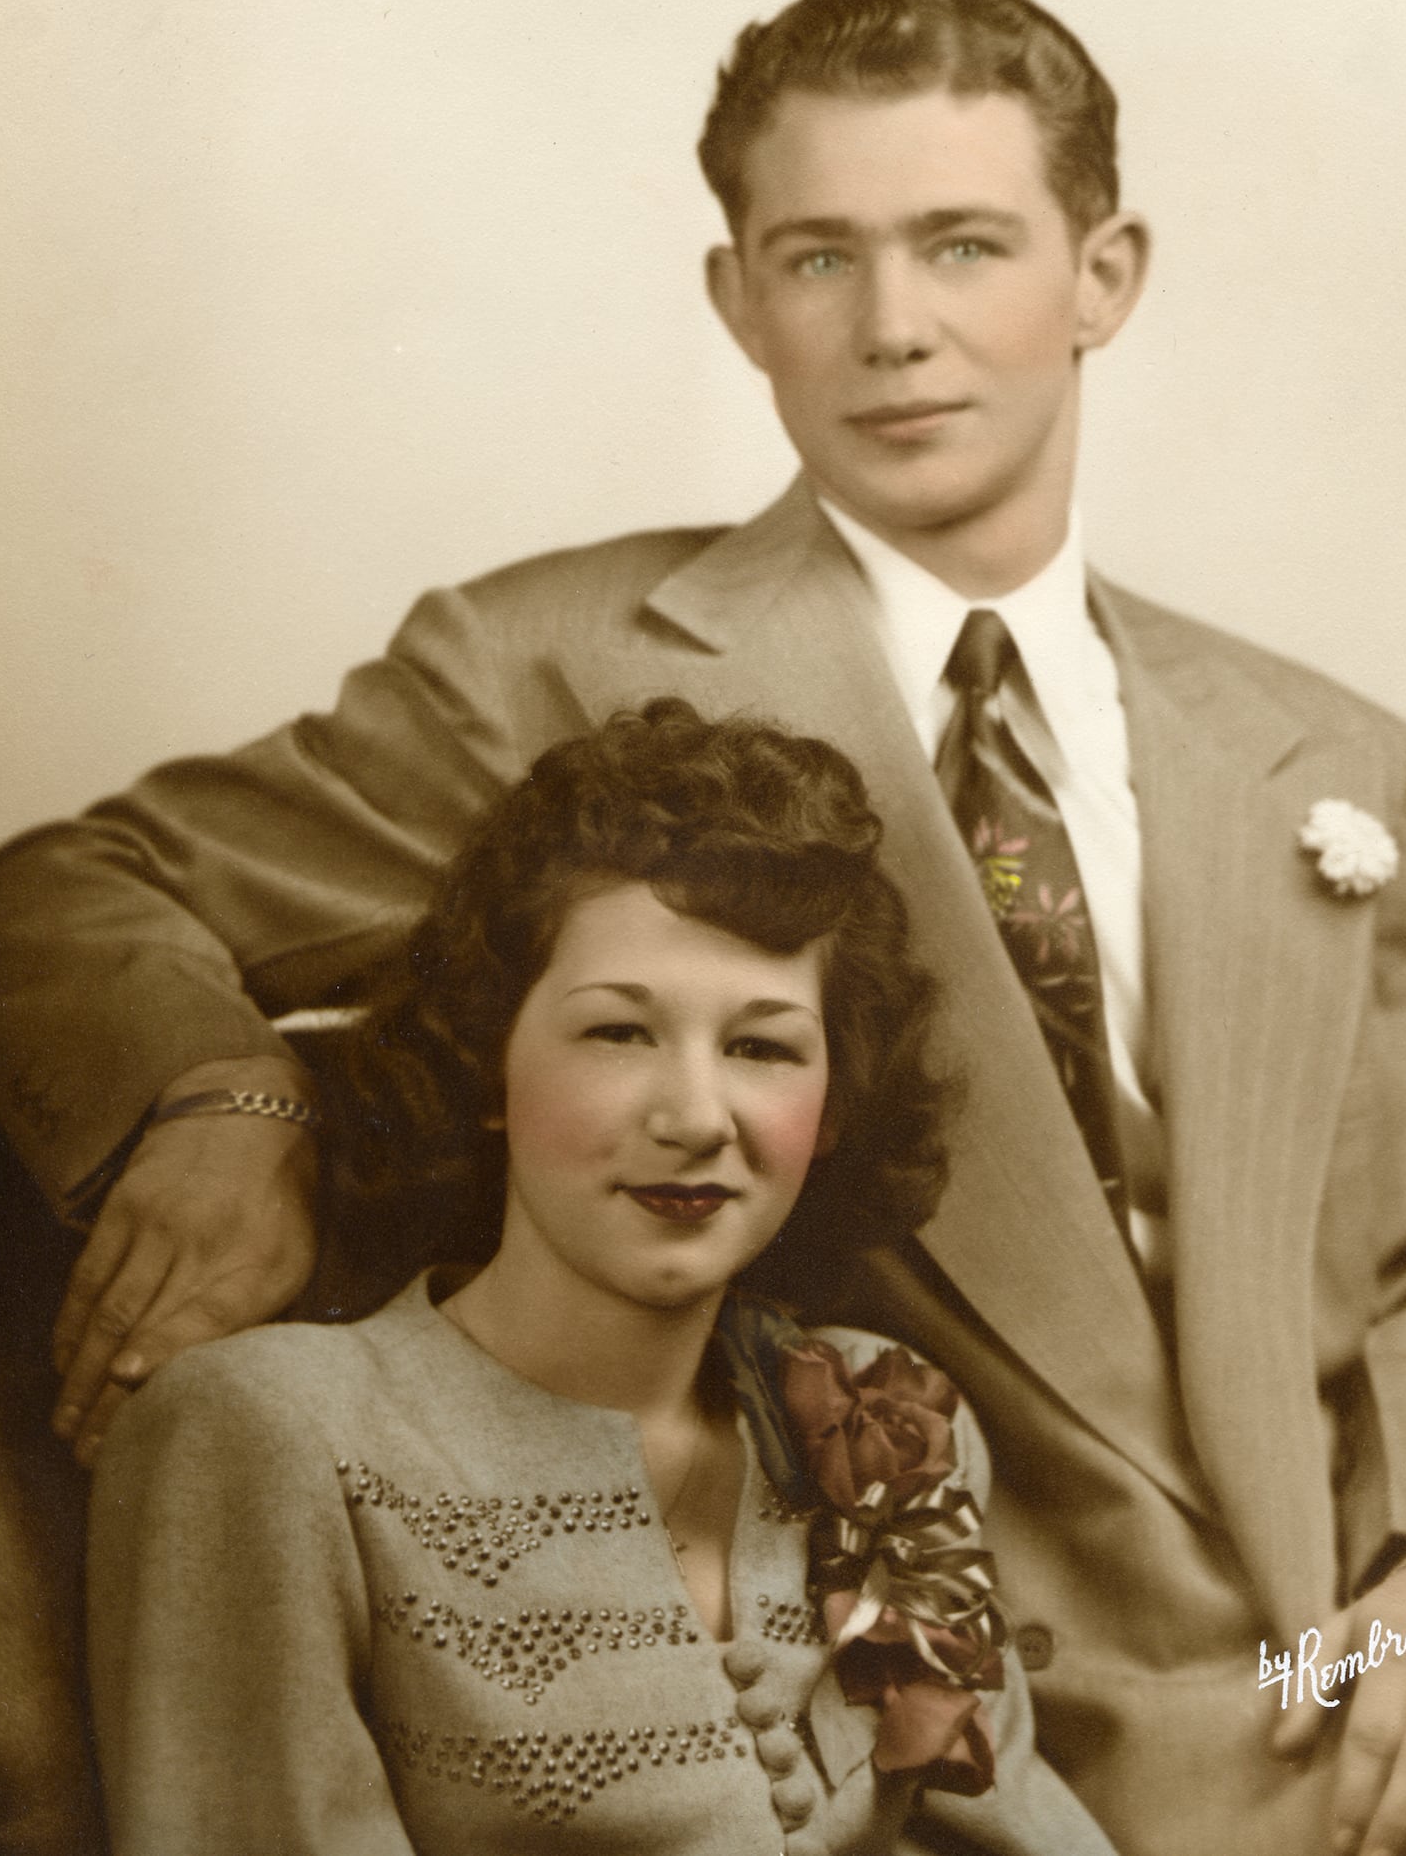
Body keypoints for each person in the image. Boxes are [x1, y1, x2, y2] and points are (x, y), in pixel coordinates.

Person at [0, 0, 1406, 1856]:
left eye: (966, 246)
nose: (895, 331)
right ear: (738, 299)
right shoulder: (551, 669)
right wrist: (231, 1103)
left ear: (1103, 273)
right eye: (819, 259)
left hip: (1319, 1671)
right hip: (935, 1694)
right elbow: (64, 891)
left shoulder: (1331, 758)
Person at [86, 697, 1116, 1856]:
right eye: (618, 1033)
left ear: (829, 1108)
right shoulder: (272, 1430)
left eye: (763, 1046)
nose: (693, 1117)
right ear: (489, 1068)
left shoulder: (890, 1411)